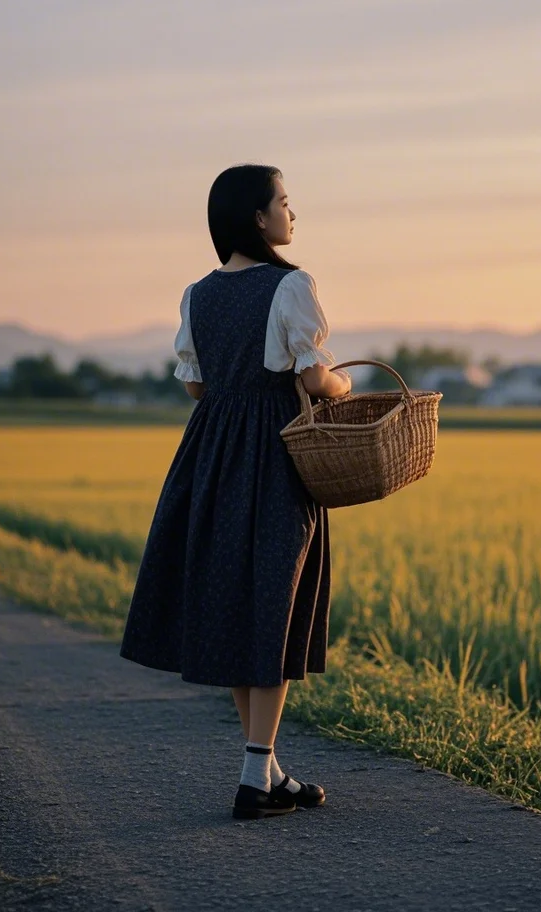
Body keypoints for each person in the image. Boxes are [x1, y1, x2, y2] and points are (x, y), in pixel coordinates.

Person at [119, 164, 351, 820]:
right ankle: (254, 777)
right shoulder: (291, 286)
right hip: (273, 453)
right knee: (271, 603)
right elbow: (311, 377)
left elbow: (195, 386)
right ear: (257, 217)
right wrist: (342, 388)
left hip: (211, 454)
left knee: (235, 599)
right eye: (283, 201)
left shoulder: (197, 294)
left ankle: (268, 771)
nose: (291, 212)